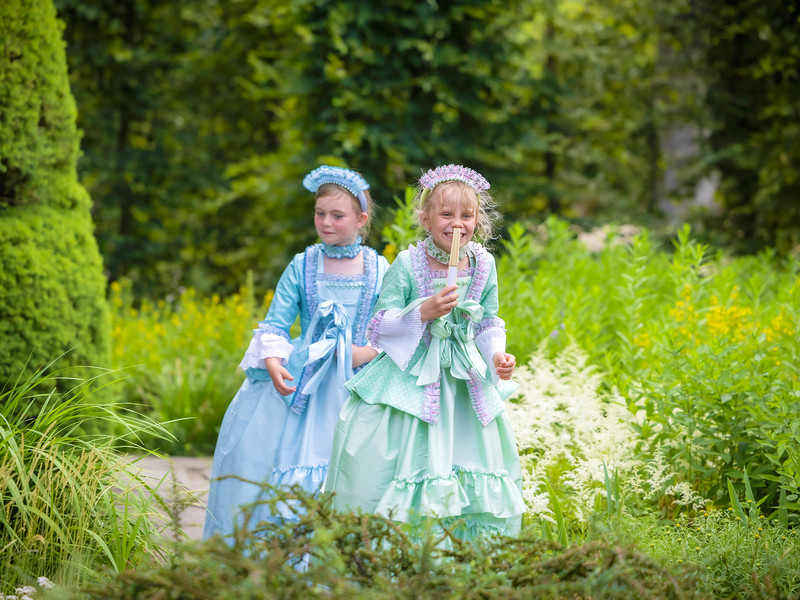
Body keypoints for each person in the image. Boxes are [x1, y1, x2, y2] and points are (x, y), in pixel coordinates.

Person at [325, 164, 525, 541]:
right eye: (446, 214)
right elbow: (380, 324)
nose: (456, 224)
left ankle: (464, 556)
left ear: (477, 220)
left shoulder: (483, 264)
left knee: (467, 460)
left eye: (466, 215)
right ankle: (402, 546)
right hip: (413, 375)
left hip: (464, 377)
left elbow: (487, 320)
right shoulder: (408, 263)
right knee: (400, 459)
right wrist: (423, 312)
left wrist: (497, 355)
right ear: (426, 217)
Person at [204, 165, 389, 540]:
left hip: (358, 381)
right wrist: (273, 362)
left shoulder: (379, 268)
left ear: (361, 219)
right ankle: (287, 555)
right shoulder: (303, 265)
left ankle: (344, 552)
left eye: (337, 215)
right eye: (320, 213)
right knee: (285, 459)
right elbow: (275, 324)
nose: (326, 222)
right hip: (305, 378)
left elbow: (386, 327)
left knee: (350, 468)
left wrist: (365, 352)